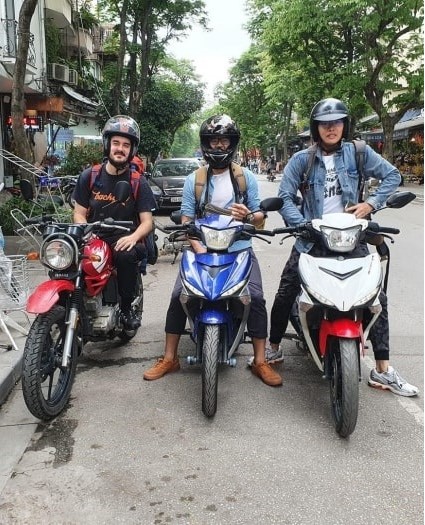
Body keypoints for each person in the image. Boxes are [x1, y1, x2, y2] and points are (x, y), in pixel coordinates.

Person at [266, 97, 418, 397]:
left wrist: (370, 204)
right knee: (287, 289)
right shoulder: (301, 160)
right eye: (324, 124)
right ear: (316, 128)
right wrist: (302, 224)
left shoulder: (359, 153)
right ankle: (272, 347)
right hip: (312, 239)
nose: (331, 128)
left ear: (344, 125)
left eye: (336, 122)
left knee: (376, 297)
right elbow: (284, 197)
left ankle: (383, 368)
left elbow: (392, 176)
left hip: (352, 238)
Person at [143, 114, 282, 386]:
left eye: (224, 140)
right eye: (214, 140)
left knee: (255, 297)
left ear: (232, 143)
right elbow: (186, 219)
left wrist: (249, 215)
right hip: (201, 248)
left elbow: (259, 217)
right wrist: (197, 248)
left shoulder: (245, 178)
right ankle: (170, 357)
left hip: (239, 248)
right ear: (206, 144)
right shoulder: (194, 180)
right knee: (179, 295)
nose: (219, 145)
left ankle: (260, 360)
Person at [73, 115, 156, 330]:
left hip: (124, 238)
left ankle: (126, 309)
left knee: (125, 255)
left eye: (126, 145)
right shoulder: (90, 176)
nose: (120, 149)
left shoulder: (138, 182)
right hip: (94, 237)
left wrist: (133, 237)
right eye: (116, 143)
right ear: (107, 144)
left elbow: (147, 222)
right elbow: (79, 213)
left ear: (132, 150)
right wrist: (85, 231)